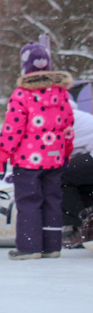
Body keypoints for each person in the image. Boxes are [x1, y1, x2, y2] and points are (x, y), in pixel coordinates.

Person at [0, 42, 74, 260]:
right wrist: (66, 151)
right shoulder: (61, 93)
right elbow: (68, 125)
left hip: (28, 161)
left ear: (25, 66)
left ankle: (30, 247)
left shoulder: (22, 95)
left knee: (29, 201)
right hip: (55, 159)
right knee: (52, 201)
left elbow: (13, 129)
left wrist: (1, 154)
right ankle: (52, 246)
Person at [61, 104, 93, 246]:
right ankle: (84, 222)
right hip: (88, 156)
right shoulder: (66, 112)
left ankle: (83, 224)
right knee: (74, 180)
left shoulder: (55, 117)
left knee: (55, 177)